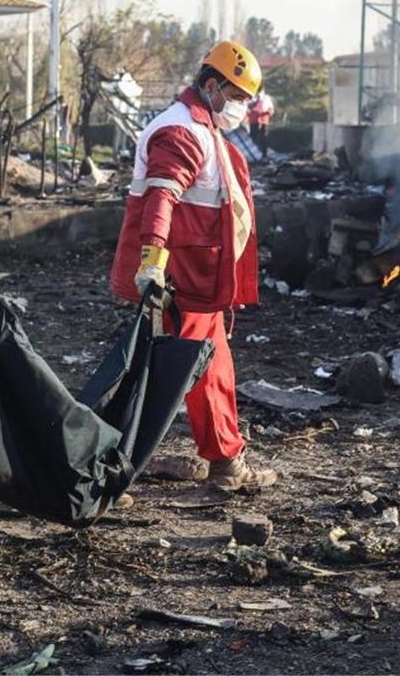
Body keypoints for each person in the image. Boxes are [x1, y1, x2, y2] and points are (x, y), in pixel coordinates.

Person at [109, 41, 278, 491]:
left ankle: (225, 463)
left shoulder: (201, 128)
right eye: (237, 96)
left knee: (209, 368)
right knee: (160, 377)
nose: (242, 107)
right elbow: (161, 199)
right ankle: (108, 469)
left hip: (195, 276)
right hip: (178, 278)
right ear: (210, 85)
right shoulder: (181, 132)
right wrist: (153, 262)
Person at [246, 87, 276, 161]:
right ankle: (254, 154)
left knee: (264, 137)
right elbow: (248, 107)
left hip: (263, 119)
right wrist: (257, 101)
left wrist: (269, 112)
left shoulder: (267, 98)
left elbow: (271, 108)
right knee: (254, 136)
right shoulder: (251, 98)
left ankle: (264, 155)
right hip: (254, 119)